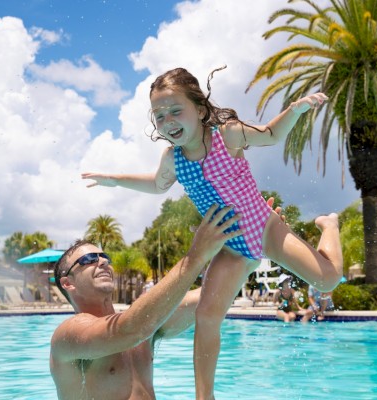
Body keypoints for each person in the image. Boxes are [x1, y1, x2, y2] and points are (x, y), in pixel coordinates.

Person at [81, 66, 344, 399]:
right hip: (231, 246)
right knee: (206, 314)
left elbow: (271, 134)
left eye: (176, 111)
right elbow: (156, 185)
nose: (168, 121)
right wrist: (116, 179)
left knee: (328, 280)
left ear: (201, 109)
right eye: (159, 116)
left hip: (264, 227)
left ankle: (329, 224)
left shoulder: (227, 135)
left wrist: (294, 110)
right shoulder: (174, 159)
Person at [49, 204, 242, 400]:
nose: (103, 262)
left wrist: (248, 245)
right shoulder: (67, 336)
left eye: (104, 257)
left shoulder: (144, 322)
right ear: (68, 283)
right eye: (89, 259)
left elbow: (212, 296)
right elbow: (130, 330)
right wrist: (196, 255)